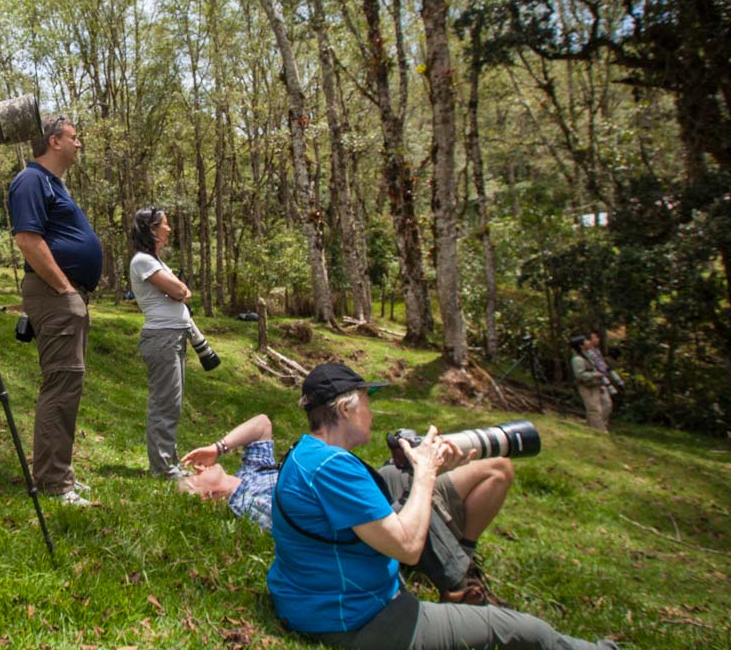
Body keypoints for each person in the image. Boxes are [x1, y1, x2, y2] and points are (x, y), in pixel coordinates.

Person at [268, 363, 618, 649]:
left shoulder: (309, 453)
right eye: (366, 402)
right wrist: (424, 473)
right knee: (528, 632)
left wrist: (430, 468)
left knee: (421, 477)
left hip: (314, 599)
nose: (372, 413)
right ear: (345, 409)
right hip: (359, 620)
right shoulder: (334, 469)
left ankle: (458, 567)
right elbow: (407, 547)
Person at [178, 413, 512, 605]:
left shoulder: (251, 472)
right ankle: (459, 581)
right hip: (367, 512)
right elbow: (335, 523)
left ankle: (462, 553)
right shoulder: (249, 505)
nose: (195, 470)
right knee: (419, 477)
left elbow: (262, 423)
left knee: (497, 468)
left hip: (366, 485)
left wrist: (217, 447)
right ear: (207, 498)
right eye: (192, 480)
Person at [8, 115, 102, 506]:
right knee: (61, 385)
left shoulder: (51, 184)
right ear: (54, 141)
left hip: (64, 294)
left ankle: (59, 473)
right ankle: (52, 483)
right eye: (74, 138)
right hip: (55, 293)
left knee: (68, 385)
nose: (79, 144)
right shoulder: (30, 180)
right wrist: (65, 289)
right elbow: (28, 241)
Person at [128, 207, 195, 477]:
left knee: (172, 403)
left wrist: (180, 292)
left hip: (173, 337)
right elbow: (180, 290)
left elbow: (181, 292)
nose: (169, 229)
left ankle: (169, 463)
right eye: (164, 224)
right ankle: (163, 468)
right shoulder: (143, 261)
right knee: (164, 403)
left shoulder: (156, 262)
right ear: (152, 229)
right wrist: (179, 291)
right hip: (162, 338)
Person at [570, 334, 613, 432]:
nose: (589, 342)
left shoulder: (587, 355)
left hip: (594, 385)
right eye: (586, 341)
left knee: (598, 407)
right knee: (594, 409)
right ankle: (601, 431)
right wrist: (594, 375)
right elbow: (580, 375)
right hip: (586, 386)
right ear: (580, 345)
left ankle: (591, 428)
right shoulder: (577, 359)